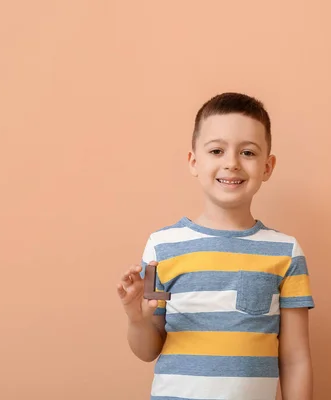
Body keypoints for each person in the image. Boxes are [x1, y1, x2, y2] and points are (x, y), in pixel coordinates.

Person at [116, 92, 315, 400]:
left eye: (248, 152)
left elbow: (295, 358)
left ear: (267, 166)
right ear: (194, 162)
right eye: (217, 150)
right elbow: (147, 350)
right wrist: (136, 319)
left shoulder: (286, 252)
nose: (232, 163)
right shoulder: (161, 247)